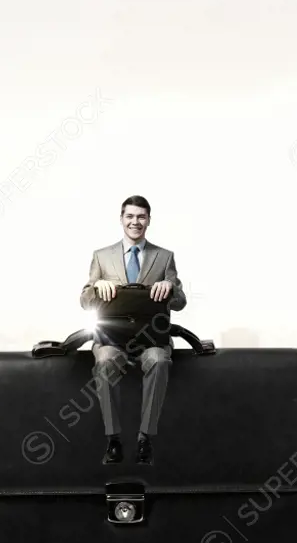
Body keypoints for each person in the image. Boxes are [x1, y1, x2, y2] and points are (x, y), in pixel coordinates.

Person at [80, 195, 187, 465]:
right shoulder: (101, 257)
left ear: (148, 220)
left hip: (151, 340)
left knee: (160, 360)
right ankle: (113, 439)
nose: (135, 222)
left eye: (141, 217)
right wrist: (96, 288)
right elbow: (84, 300)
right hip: (112, 340)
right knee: (104, 360)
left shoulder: (164, 257)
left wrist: (171, 288)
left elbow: (180, 302)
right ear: (121, 219)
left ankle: (144, 438)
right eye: (130, 216)